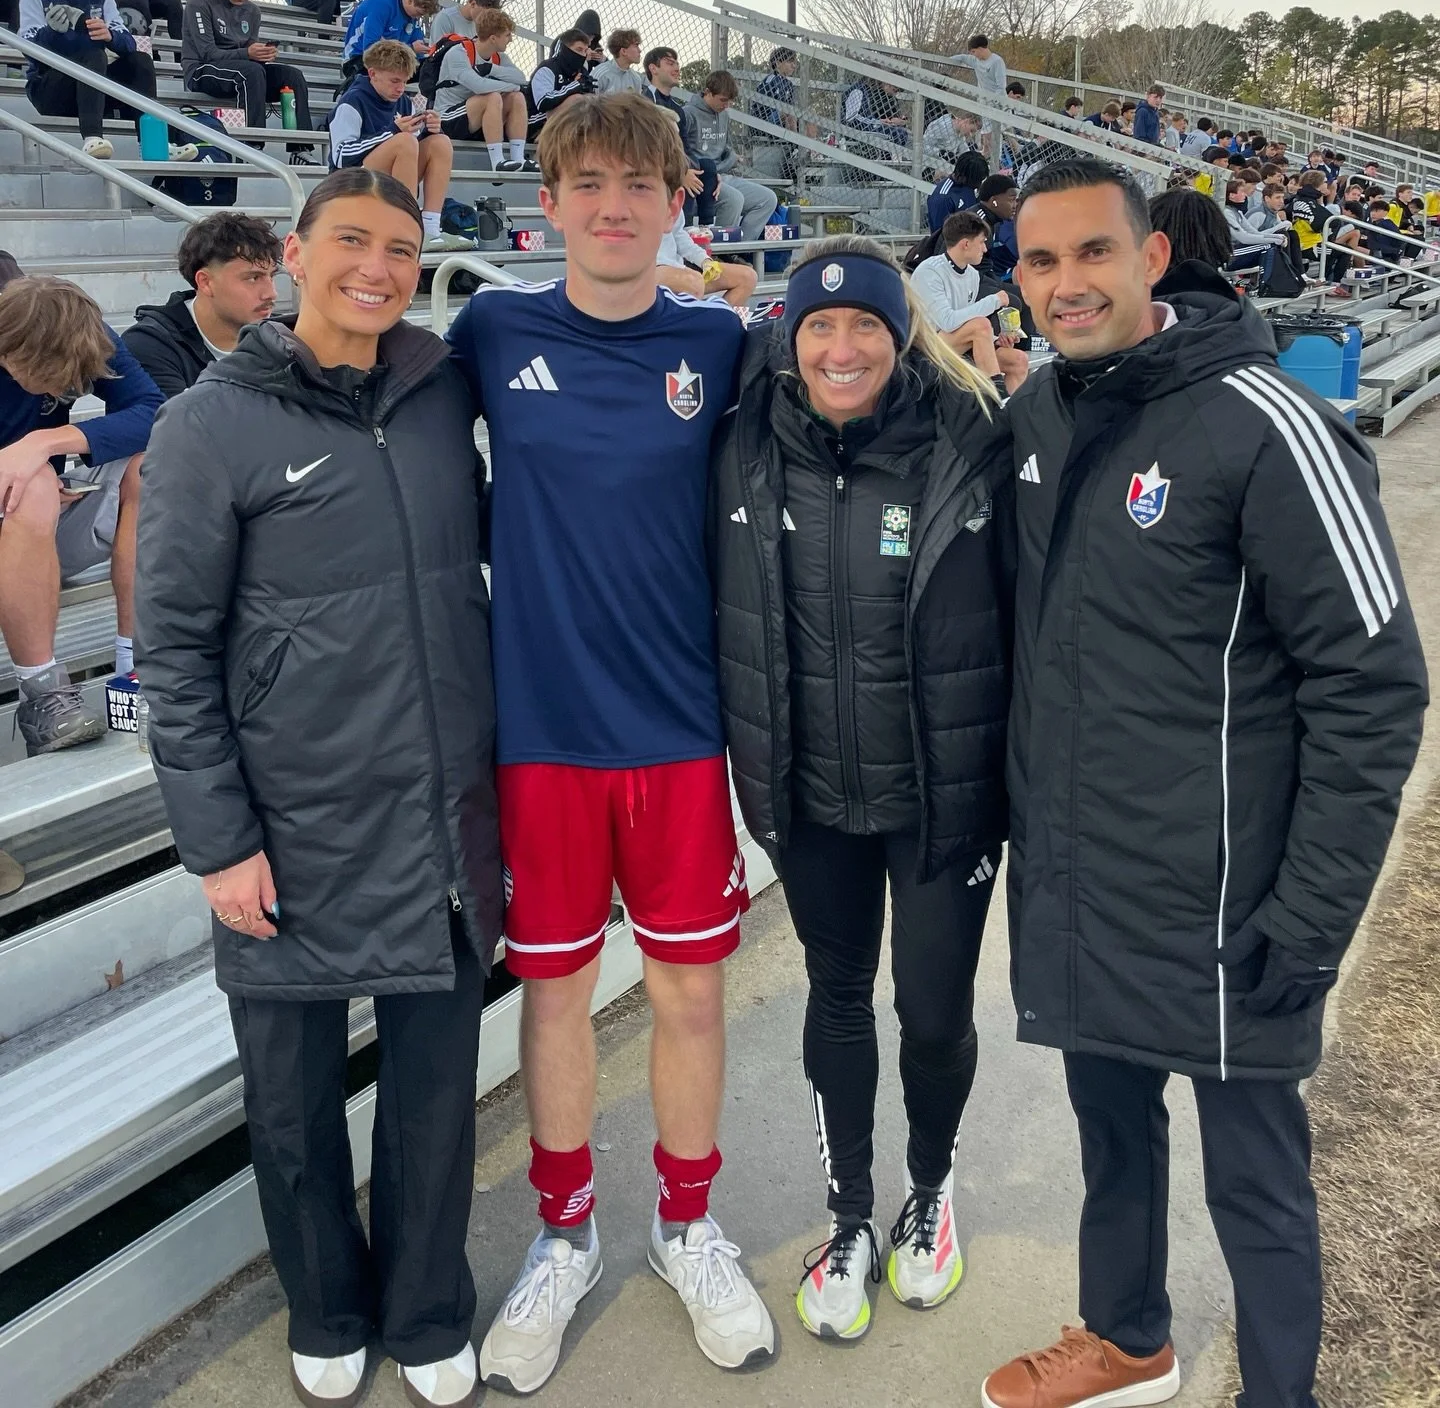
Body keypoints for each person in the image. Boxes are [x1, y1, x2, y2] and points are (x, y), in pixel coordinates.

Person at [981, 155, 1427, 1408]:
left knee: (1256, 1179)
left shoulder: (1267, 421)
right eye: (1041, 261)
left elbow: (1376, 683)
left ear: (1150, 258)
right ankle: (1128, 1339)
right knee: (1112, 1137)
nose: (1067, 285)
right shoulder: (1043, 413)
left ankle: (1281, 1394)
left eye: (1092, 254)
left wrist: (1316, 910)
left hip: (1235, 900)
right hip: (1085, 878)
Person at [135, 167, 501, 1408]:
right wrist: (218, 840)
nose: (379, 268)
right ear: (294, 254)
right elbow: (174, 651)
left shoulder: (444, 390)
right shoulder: (207, 422)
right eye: (352, 240)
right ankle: (328, 1307)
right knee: (292, 1105)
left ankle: (427, 1306)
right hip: (286, 823)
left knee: (435, 1093)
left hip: (441, 811)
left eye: (403, 248)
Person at [446, 93, 775, 1393]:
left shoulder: (723, 339)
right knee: (559, 995)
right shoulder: (490, 326)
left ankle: (686, 1227)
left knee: (692, 991)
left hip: (684, 736)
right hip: (541, 740)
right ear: (549, 199)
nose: (614, 204)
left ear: (678, 197)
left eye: (640, 182)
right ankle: (564, 1233)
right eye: (588, 181)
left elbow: (868, 384)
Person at [711, 236, 1012, 1339]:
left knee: (932, 1013)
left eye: (867, 328)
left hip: (945, 796)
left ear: (902, 335)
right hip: (812, 792)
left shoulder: (975, 438)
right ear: (790, 338)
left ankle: (928, 1194)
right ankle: (848, 1213)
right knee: (836, 1001)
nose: (843, 349)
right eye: (820, 328)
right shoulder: (744, 441)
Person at [0, 276, 160, 757]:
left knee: (154, 467)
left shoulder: (85, 333)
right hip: (21, 512)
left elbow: (156, 411)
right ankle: (43, 690)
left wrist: (46, 442)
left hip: (39, 528)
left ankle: (134, 669)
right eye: (48, 376)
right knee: (36, 487)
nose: (62, 389)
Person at [18, 0, 158, 156]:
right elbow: (30, 52)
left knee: (140, 61)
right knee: (92, 55)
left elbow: (128, 43)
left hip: (95, 88)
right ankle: (93, 137)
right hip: (51, 92)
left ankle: (155, 144)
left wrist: (111, 36)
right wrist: (53, 32)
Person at [123, 212, 284, 396]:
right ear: (206, 282)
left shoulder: (281, 337)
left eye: (272, 276)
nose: (271, 293)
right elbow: (179, 422)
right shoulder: (150, 345)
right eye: (253, 278)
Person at [327, 41, 463, 252]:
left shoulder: (404, 102)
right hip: (351, 183)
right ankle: (405, 228)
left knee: (440, 142)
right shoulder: (351, 102)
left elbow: (412, 146)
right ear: (372, 74)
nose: (400, 88)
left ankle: (430, 228)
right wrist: (391, 132)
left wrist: (431, 130)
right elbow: (341, 157)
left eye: (405, 81)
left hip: (386, 173)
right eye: (394, 81)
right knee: (404, 141)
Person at [182, 0, 318, 161]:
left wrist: (263, 53)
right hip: (201, 70)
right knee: (251, 71)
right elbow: (207, 53)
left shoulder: (252, 11)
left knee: (292, 75)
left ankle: (301, 148)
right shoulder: (200, 2)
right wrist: (248, 53)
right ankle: (251, 145)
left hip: (242, 69)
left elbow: (248, 48)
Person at [909, 211, 1026, 391]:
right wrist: (993, 301)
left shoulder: (972, 275)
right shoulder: (929, 272)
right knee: (981, 325)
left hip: (957, 345)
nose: (985, 249)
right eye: (981, 242)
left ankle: (1011, 414)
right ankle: (998, 395)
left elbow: (966, 322)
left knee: (1018, 361)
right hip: (926, 349)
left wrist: (994, 340)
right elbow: (948, 322)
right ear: (965, 244)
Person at [428, 6, 528, 167]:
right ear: (493, 38)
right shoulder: (458, 53)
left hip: (476, 120)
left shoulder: (499, 57)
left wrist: (492, 69)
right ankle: (497, 162)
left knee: (517, 97)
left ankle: (518, 159)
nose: (511, 40)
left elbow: (521, 78)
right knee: (493, 96)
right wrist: (513, 86)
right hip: (447, 118)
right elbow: (479, 86)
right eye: (508, 35)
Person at [685, 71, 779, 241]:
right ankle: (718, 254)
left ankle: (740, 250)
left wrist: (732, 159)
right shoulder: (688, 114)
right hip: (702, 178)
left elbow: (726, 149)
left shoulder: (724, 115)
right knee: (734, 199)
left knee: (768, 199)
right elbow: (682, 153)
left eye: (730, 101)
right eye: (722, 100)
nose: (726, 105)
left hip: (723, 175)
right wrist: (726, 163)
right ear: (708, 92)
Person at [645, 45, 717, 226]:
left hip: (678, 167)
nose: (676, 68)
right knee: (685, 180)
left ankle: (705, 231)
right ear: (653, 68)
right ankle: (683, 230)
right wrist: (680, 173)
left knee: (707, 167)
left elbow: (687, 147)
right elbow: (648, 150)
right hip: (655, 170)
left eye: (677, 63)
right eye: (669, 63)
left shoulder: (678, 109)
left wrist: (689, 169)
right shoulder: (644, 104)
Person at [656, 207, 757, 310]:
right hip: (650, 270)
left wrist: (704, 260)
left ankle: (720, 323)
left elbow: (679, 235)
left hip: (677, 266)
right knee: (693, 283)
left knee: (747, 277)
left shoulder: (671, 197)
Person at [524, 27, 596, 159]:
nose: (582, 55)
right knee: (577, 99)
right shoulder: (548, 68)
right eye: (578, 50)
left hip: (565, 123)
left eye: (585, 51)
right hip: (536, 123)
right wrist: (574, 86)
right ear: (565, 49)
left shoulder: (581, 72)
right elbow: (543, 102)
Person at [341, 0, 439, 79]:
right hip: (358, 60)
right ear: (410, 1)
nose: (418, 17)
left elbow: (417, 56)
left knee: (432, 68)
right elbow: (370, 51)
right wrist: (411, 49)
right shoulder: (381, 6)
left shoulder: (411, 16)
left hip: (392, 62)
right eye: (418, 13)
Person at [927, 147, 991, 233]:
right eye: (977, 180)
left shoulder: (969, 186)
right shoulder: (943, 198)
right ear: (963, 176)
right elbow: (941, 236)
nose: (979, 185)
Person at [975, 173, 1019, 277]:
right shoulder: (977, 224)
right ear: (994, 201)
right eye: (1011, 200)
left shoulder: (993, 220)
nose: (1015, 206)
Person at [591, 28, 644, 95]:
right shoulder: (600, 74)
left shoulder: (636, 79)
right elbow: (588, 102)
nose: (640, 50)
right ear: (623, 51)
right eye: (636, 45)